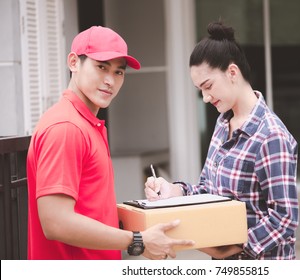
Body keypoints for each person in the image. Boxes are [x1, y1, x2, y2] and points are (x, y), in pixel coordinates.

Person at [26, 26, 194, 260]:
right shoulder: (67, 128)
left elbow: (91, 210)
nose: (110, 81)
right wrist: (138, 240)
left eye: (119, 72)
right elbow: (56, 222)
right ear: (74, 62)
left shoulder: (85, 124)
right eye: (101, 67)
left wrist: (145, 216)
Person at [145, 21, 299, 260]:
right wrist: (173, 191)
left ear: (232, 72)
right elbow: (208, 189)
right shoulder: (222, 124)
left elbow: (284, 216)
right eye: (200, 90)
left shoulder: (270, 135)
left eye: (208, 86)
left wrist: (234, 246)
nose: (205, 98)